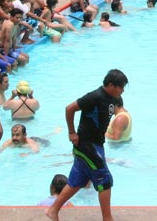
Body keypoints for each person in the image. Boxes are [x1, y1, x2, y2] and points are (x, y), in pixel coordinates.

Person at [44, 68, 129, 221]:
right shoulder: (94, 97)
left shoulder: (113, 99)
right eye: (121, 87)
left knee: (77, 181)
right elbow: (69, 108)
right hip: (86, 145)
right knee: (105, 180)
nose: (122, 90)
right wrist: (71, 132)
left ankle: (53, 210)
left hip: (96, 145)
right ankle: (107, 218)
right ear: (111, 85)